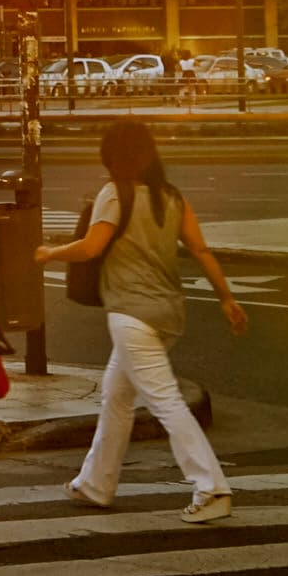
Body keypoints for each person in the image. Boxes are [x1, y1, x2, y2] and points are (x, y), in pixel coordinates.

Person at [37, 119, 245, 523]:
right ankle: (95, 483)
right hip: (168, 313)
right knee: (117, 396)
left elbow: (91, 247)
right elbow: (200, 250)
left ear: (110, 155)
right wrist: (226, 297)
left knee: (165, 400)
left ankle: (211, 487)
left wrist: (50, 252)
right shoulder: (171, 197)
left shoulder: (114, 194)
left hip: (131, 314)